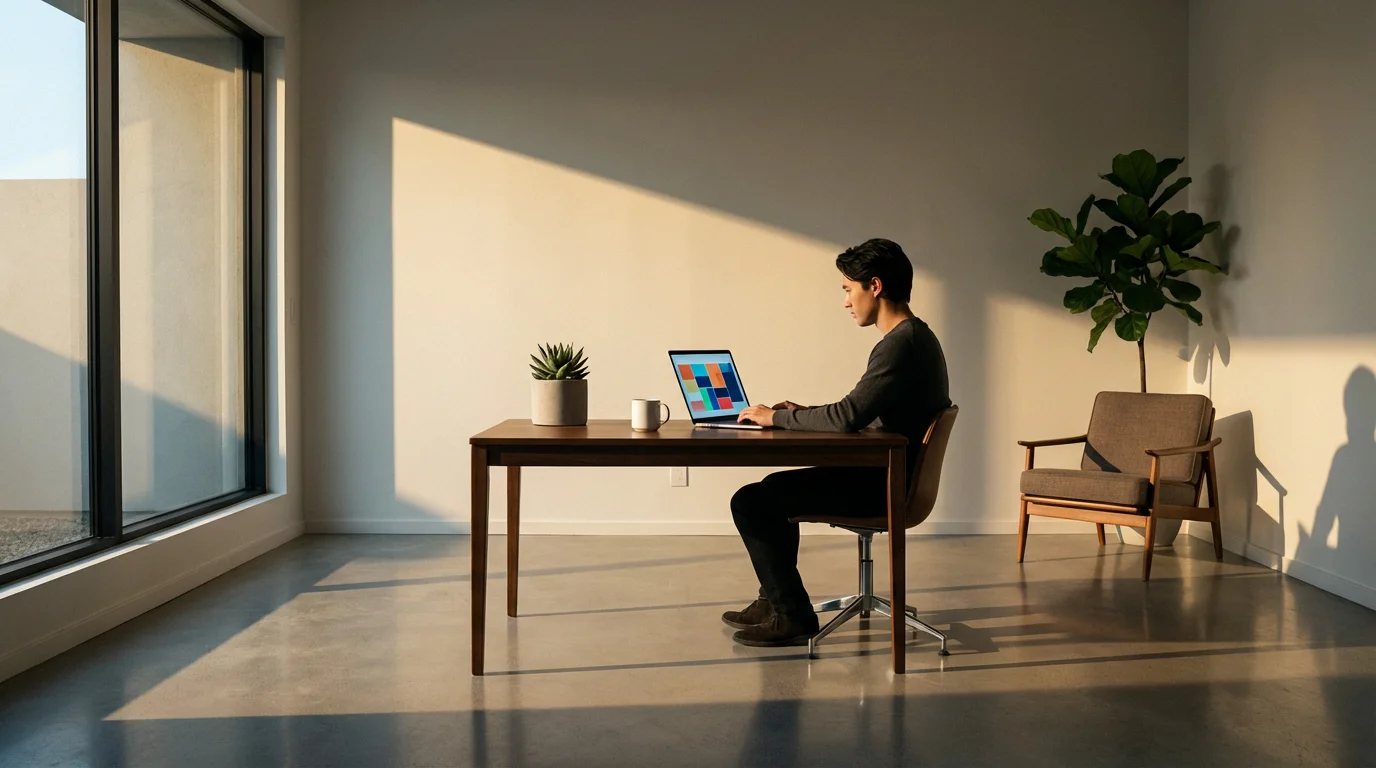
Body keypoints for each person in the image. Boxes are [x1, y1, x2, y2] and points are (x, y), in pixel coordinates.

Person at [724, 238, 951, 647]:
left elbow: (846, 417)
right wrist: (801, 412)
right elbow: (861, 414)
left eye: (849, 289)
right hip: (888, 474)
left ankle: (793, 616)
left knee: (750, 502)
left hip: (885, 485)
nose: (846, 301)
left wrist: (774, 417)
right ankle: (775, 600)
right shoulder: (915, 338)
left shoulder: (900, 344)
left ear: (875, 286)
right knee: (774, 487)